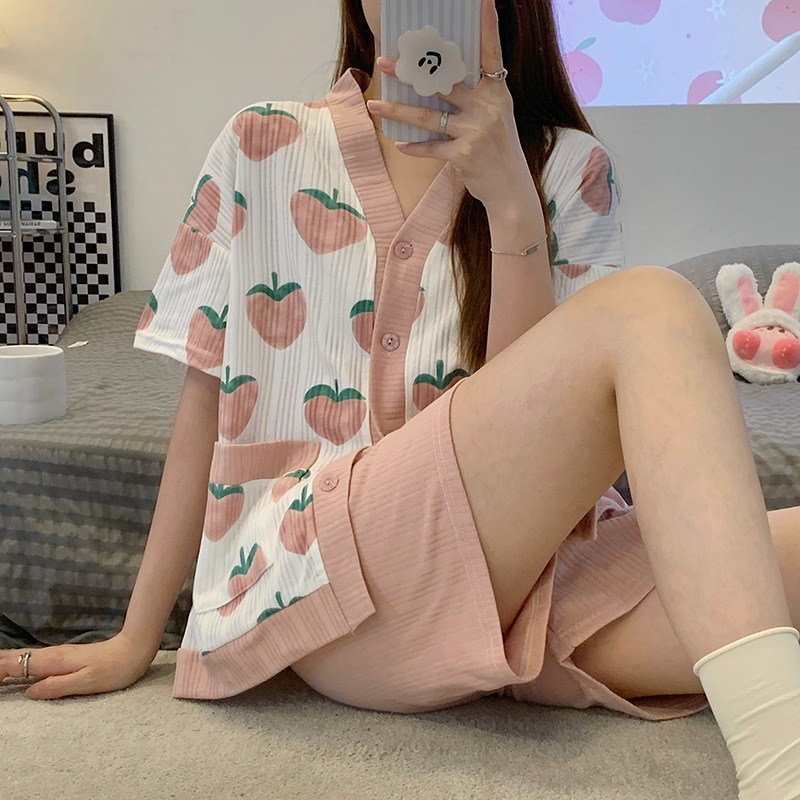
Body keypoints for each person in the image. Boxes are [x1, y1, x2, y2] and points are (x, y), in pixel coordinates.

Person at [2, 0, 800, 796]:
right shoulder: (262, 142)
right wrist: (138, 635)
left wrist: (511, 205)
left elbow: (526, 445)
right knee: (653, 306)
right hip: (333, 574)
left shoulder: (570, 167)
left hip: (530, 573)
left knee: (759, 568)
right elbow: (204, 410)